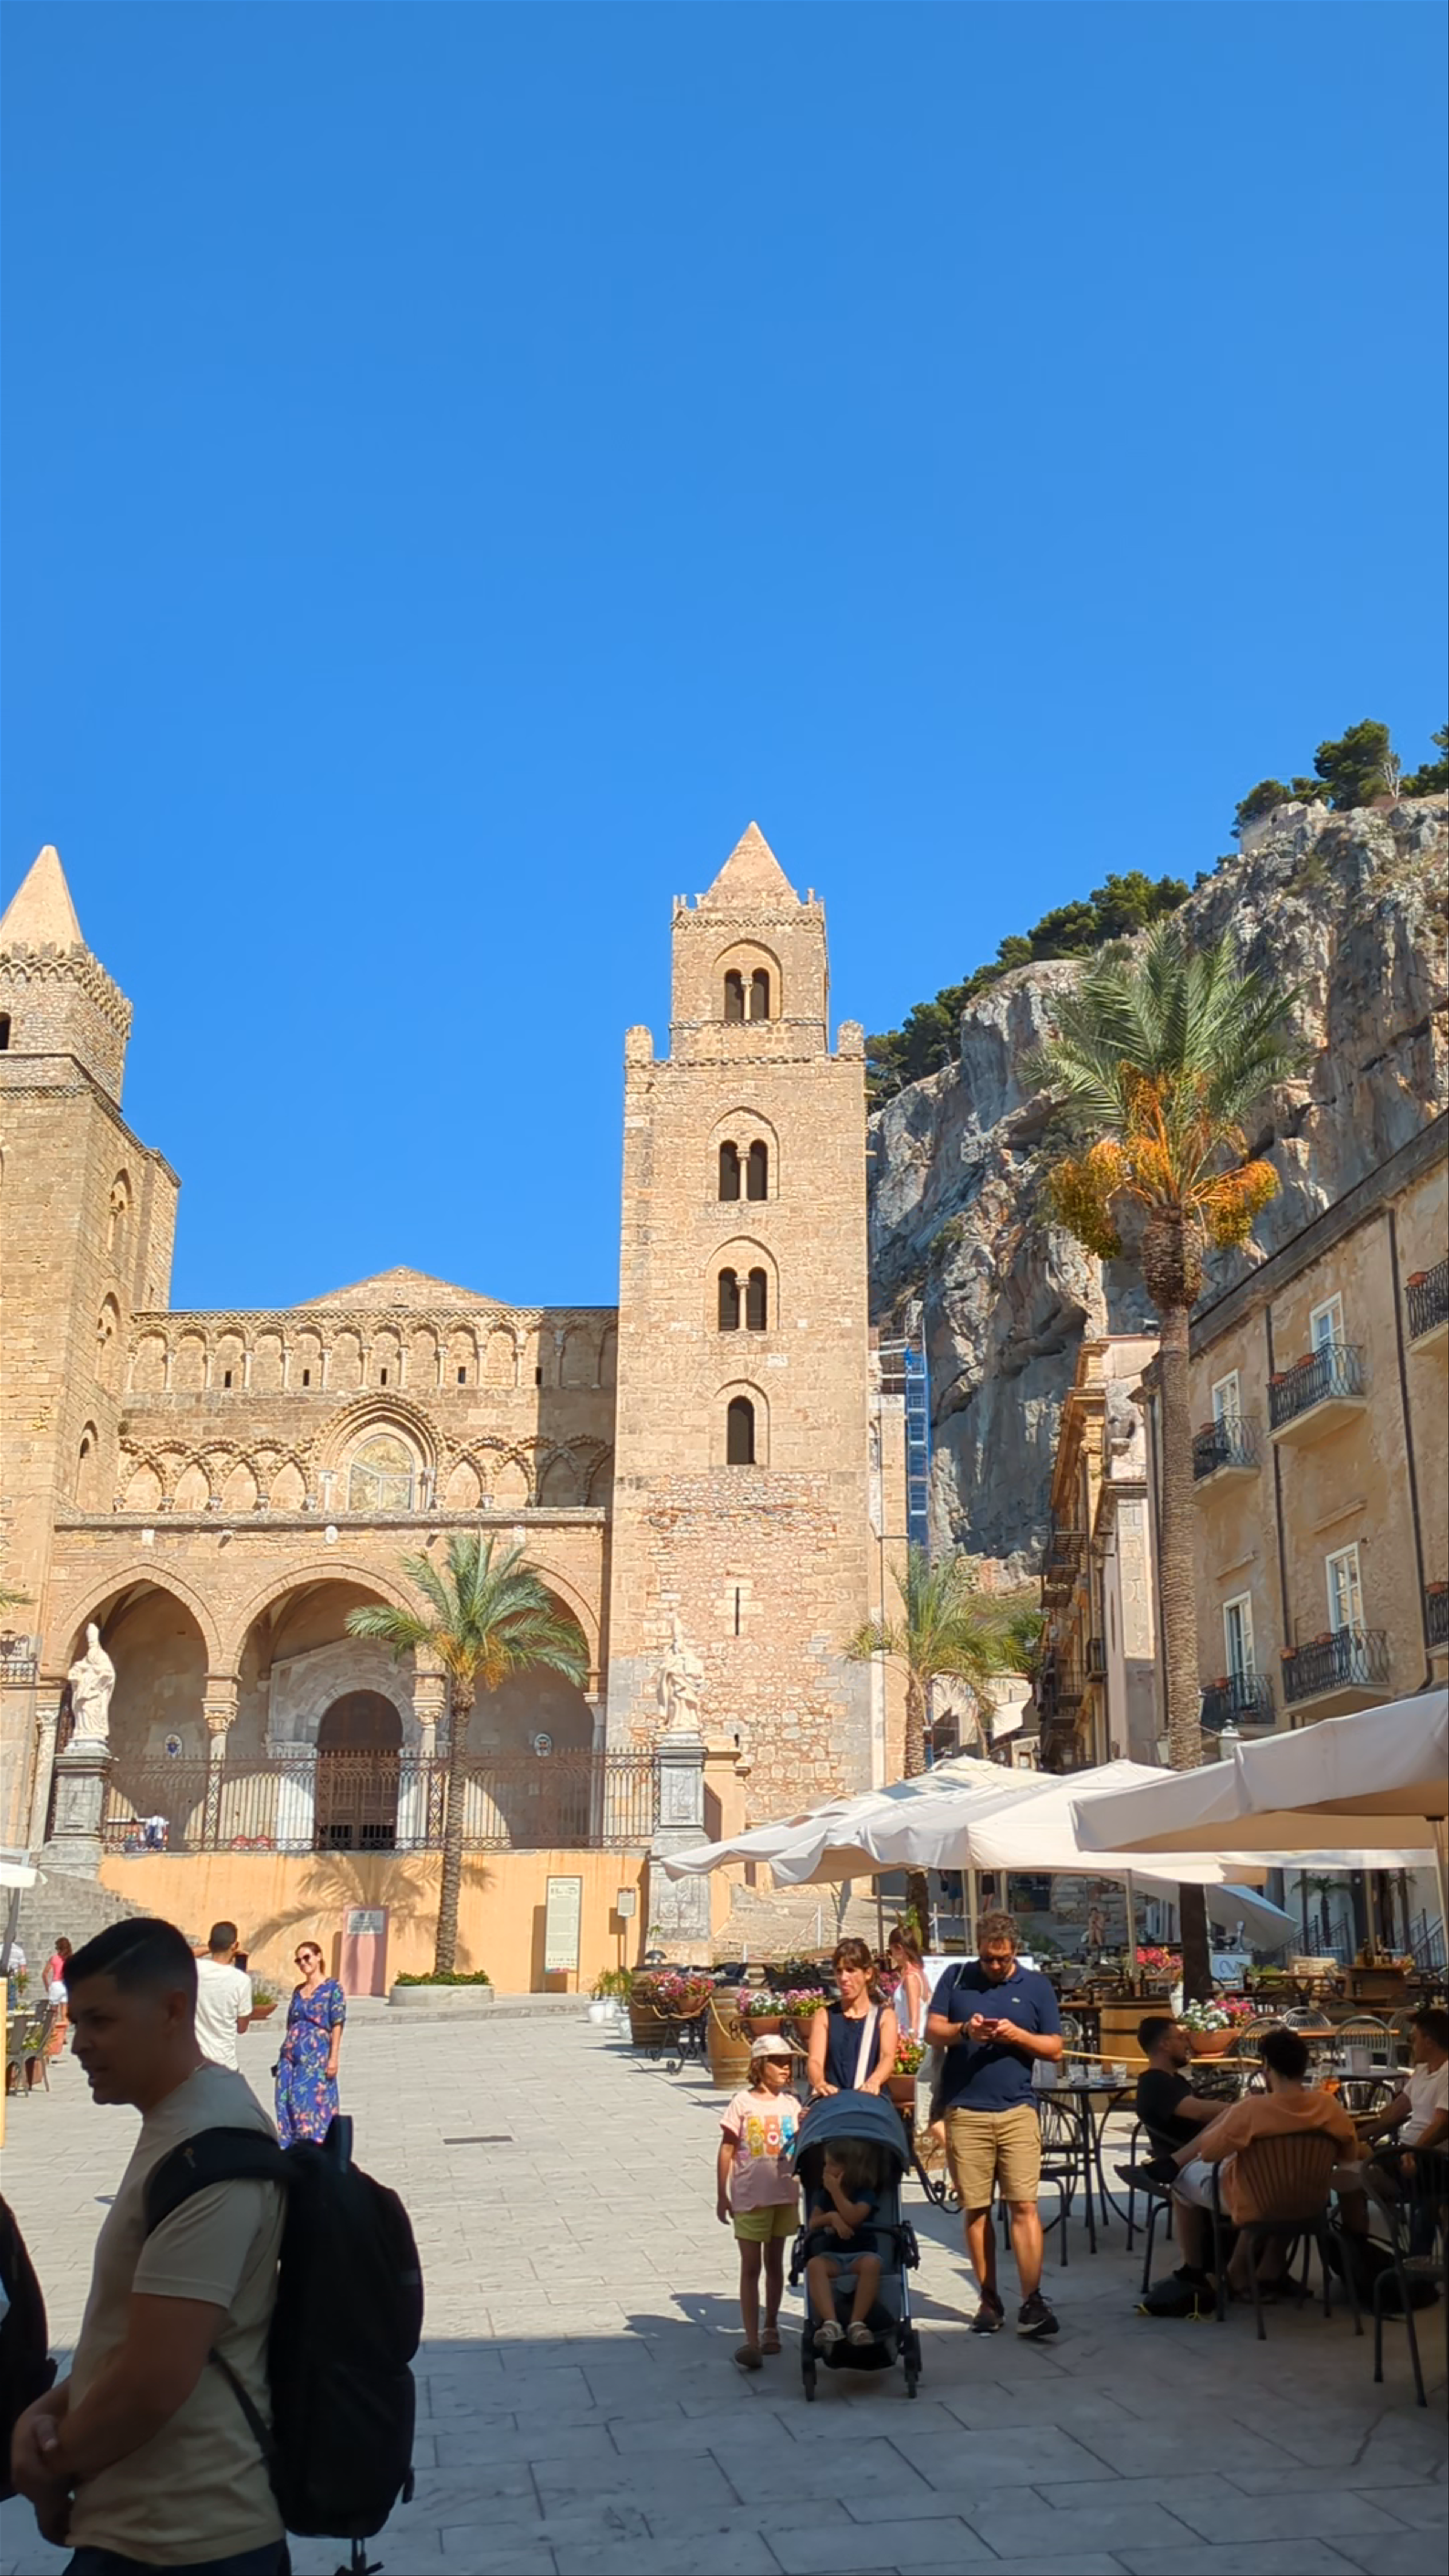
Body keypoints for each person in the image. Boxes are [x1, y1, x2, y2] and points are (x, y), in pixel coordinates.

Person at [8, 1915, 287, 2575]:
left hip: (188, 2537)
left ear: (171, 2010)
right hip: (140, 2526)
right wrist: (46, 2410)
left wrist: (49, 2469)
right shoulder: (177, 2124)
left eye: (100, 2021)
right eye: (76, 2022)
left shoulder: (213, 2146)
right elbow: (135, 2338)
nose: (78, 2045)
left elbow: (154, 2381)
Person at [925, 1907, 1064, 2339]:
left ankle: (1033, 2299)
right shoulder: (957, 1977)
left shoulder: (1036, 1986)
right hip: (967, 2108)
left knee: (1024, 2203)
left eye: (1003, 1959)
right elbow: (932, 2031)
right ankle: (988, 2298)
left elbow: (1055, 2047)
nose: (996, 1966)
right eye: (989, 1958)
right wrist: (967, 2030)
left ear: (1015, 1951)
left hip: (1017, 2108)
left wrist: (1017, 2035)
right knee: (977, 2207)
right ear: (979, 1949)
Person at [1158, 2023, 1361, 2295]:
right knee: (1287, 2183)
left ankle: (1195, 2269)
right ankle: (1267, 2270)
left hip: (1255, 2203)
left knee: (1182, 2180)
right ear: (1304, 2067)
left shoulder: (1253, 2109)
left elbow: (1210, 2153)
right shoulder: (1329, 2106)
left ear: (1266, 2066)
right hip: (1310, 2201)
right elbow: (1349, 2151)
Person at [716, 2033, 802, 2372]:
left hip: (783, 2194)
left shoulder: (793, 2105)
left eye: (788, 2062)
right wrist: (722, 2193)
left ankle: (772, 2326)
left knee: (776, 2264)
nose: (784, 2068)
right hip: (751, 2197)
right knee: (751, 2267)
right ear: (759, 2065)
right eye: (777, 2061)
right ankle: (751, 2339)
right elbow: (727, 2147)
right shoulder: (742, 2102)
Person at [1133, 2014, 1231, 2285]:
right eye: (1180, 2037)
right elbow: (1197, 2111)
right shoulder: (1155, 2082)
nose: (1187, 2042)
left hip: (1207, 2157)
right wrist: (1240, 2110)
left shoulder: (1173, 2080)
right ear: (1164, 2044)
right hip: (1196, 2164)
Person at [803, 2141, 883, 2353]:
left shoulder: (865, 2193)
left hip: (861, 2253)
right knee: (815, 2265)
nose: (825, 2171)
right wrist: (831, 2217)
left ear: (848, 2169)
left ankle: (857, 2323)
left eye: (831, 2165)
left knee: (872, 2264)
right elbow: (813, 2223)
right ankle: (831, 2323)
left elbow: (854, 2217)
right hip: (834, 2255)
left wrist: (837, 2192)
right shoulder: (824, 2195)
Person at [805, 1939, 898, 2100]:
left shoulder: (884, 2016)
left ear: (868, 1974)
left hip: (869, 2101)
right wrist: (820, 2084)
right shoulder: (825, 2016)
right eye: (839, 1971)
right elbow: (815, 2060)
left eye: (851, 1970)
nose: (844, 1978)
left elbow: (887, 2058)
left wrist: (874, 2082)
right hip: (833, 2100)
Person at [275, 1938, 345, 2145]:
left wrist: (334, 2057)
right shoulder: (299, 1990)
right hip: (289, 2058)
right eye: (299, 1960)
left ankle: (315, 2148)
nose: (303, 1963)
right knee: (286, 2102)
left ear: (319, 1957)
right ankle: (291, 2149)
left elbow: (337, 2023)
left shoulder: (333, 1988)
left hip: (316, 2056)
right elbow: (291, 2022)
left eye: (307, 1957)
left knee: (307, 2103)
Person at [1358, 2006, 1449, 2159]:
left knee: (1354, 2169)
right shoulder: (1422, 2071)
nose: (1410, 2046)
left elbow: (1441, 2125)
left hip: (1429, 2159)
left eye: (1413, 2039)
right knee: (1351, 2159)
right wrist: (1353, 2136)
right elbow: (1394, 2113)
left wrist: (1412, 2154)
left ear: (1429, 2043)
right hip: (1404, 2149)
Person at [193, 1924, 253, 2074]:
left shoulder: (195, 1970)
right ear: (235, 1946)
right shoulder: (241, 1980)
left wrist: (209, 1948)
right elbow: (242, 2028)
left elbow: (182, 1954)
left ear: (211, 1944)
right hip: (225, 2064)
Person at [887, 1926, 929, 2042]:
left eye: (891, 1951)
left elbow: (914, 2015)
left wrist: (911, 2042)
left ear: (899, 1949)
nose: (892, 1956)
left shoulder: (911, 1978)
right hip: (919, 2038)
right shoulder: (920, 1974)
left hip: (912, 2041)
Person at [43, 1937, 74, 2062]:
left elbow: (45, 1973)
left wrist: (47, 1986)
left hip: (55, 1985)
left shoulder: (54, 1959)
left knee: (53, 2013)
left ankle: (53, 2035)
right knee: (65, 2013)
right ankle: (63, 2036)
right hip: (65, 1985)